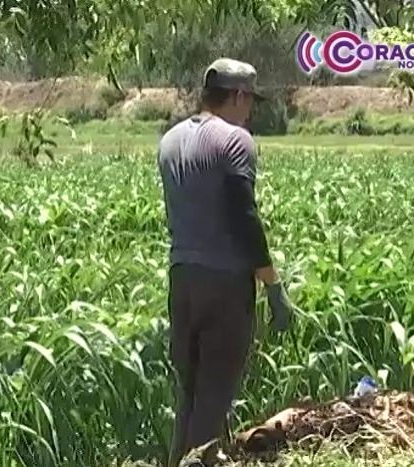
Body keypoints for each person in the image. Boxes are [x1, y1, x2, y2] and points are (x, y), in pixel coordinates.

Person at [156, 58, 293, 467]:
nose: (250, 112)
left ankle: (184, 460)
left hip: (182, 279)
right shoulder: (235, 140)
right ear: (237, 96)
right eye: (249, 101)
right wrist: (273, 286)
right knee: (214, 395)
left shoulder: (170, 140)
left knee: (191, 392)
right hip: (224, 284)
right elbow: (244, 218)